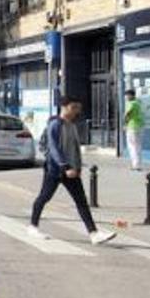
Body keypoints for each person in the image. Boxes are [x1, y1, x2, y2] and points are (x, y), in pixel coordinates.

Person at [28, 97, 116, 245]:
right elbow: (54, 148)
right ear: (64, 107)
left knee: (81, 201)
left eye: (78, 108)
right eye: (73, 107)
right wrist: (65, 166)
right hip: (55, 170)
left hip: (72, 171)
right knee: (44, 197)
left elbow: (75, 148)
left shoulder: (71, 125)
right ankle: (33, 226)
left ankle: (93, 233)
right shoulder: (55, 124)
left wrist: (78, 167)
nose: (76, 111)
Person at [123, 89, 144, 171]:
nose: (126, 97)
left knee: (132, 146)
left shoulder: (131, 103)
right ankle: (138, 164)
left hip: (132, 126)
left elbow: (128, 114)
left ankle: (135, 165)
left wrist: (125, 123)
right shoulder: (139, 103)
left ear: (131, 95)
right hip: (140, 126)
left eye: (127, 95)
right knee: (138, 146)